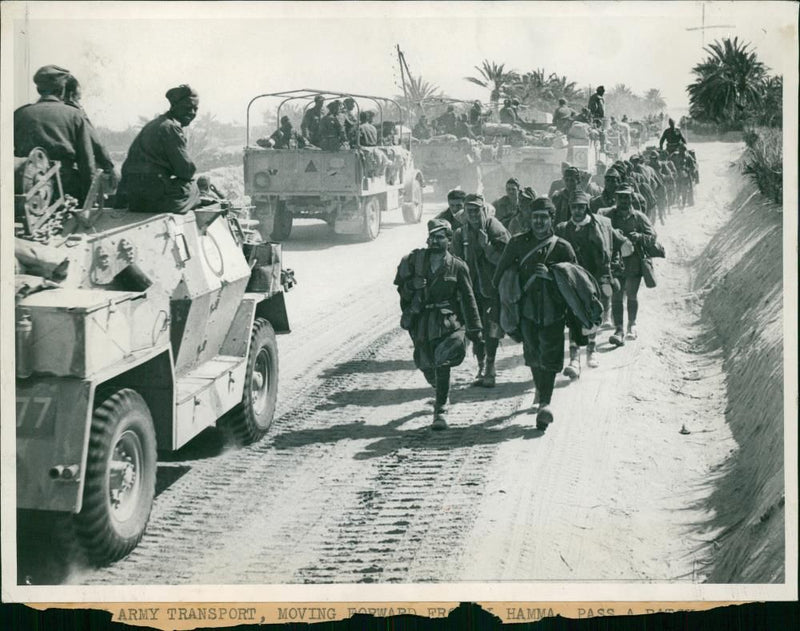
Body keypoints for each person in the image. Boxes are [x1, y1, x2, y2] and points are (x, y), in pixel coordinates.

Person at [492, 195, 578, 430]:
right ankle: (541, 391)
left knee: (549, 359)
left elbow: (576, 282)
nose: (539, 222)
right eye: (535, 217)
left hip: (554, 311)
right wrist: (500, 310)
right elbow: (499, 277)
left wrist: (552, 275)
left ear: (552, 219)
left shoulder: (562, 247)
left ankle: (545, 404)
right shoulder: (518, 243)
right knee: (533, 356)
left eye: (544, 218)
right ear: (529, 219)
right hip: (525, 310)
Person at [394, 219, 483, 430]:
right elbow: (401, 290)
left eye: (440, 237)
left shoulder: (458, 266)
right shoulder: (415, 261)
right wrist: (411, 285)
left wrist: (475, 329)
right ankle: (440, 389)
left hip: (448, 321)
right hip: (422, 321)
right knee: (425, 363)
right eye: (432, 237)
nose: (434, 241)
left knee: (442, 358)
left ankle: (440, 410)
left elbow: (469, 299)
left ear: (449, 240)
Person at [556, 191, 629, 373]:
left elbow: (621, 244)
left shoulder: (601, 226)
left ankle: (591, 350)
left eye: (581, 207)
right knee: (572, 316)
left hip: (594, 278)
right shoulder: (563, 229)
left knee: (591, 314)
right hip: (572, 280)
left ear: (586, 208)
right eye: (574, 207)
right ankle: (574, 359)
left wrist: (613, 266)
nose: (578, 211)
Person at [14, 65, 96, 205]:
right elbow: (86, 163)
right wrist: (90, 199)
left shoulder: (20, 114)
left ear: (39, 89)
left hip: (26, 190)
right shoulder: (74, 115)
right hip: (65, 189)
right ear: (62, 89)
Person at [453, 194, 511, 387]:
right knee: (475, 329)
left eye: (476, 210)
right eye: (469, 211)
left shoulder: (495, 228)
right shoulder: (461, 234)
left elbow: (507, 259)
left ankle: (491, 366)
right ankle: (481, 365)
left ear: (483, 210)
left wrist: (487, 248)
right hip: (471, 291)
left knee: (492, 327)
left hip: (492, 289)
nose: (473, 215)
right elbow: (455, 262)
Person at [116, 84, 200, 213]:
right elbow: (186, 170)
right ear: (174, 106)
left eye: (195, 109)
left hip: (133, 198)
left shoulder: (154, 125)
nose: (192, 113)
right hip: (153, 198)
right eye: (187, 108)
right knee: (194, 188)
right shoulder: (171, 128)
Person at [600, 185, 656, 346]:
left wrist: (639, 236)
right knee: (617, 298)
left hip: (633, 262)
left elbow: (652, 236)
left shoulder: (638, 217)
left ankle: (632, 324)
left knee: (631, 294)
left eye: (627, 197)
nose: (623, 200)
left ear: (632, 198)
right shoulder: (608, 216)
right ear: (615, 198)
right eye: (620, 197)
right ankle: (619, 330)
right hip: (615, 262)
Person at [63, 74, 117, 190]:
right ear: (72, 95)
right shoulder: (75, 114)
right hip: (66, 181)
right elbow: (95, 143)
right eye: (78, 98)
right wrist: (109, 167)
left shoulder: (24, 112)